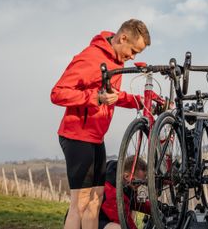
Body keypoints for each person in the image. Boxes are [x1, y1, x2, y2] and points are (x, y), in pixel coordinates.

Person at [51, 19, 151, 229]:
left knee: (95, 203)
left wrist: (142, 102)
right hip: (76, 136)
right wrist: (95, 97)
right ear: (122, 38)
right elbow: (58, 93)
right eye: (133, 50)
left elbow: (113, 96)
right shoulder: (91, 57)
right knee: (79, 204)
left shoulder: (116, 61)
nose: (132, 57)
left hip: (96, 138)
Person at [99, 156, 151, 229]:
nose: (139, 185)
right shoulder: (110, 190)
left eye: (141, 182)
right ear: (126, 176)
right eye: (137, 182)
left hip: (110, 217)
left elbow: (135, 202)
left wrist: (157, 208)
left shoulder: (124, 179)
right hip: (96, 222)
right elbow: (124, 221)